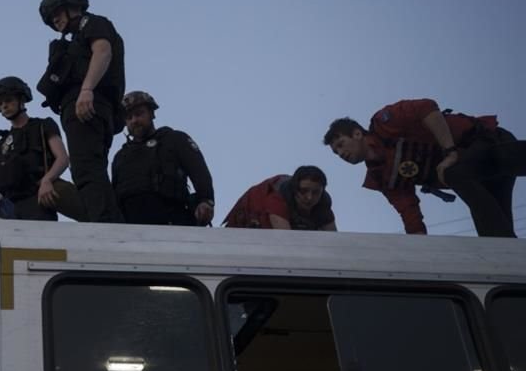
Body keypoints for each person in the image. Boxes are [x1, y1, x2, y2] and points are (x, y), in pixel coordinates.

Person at [324, 98, 526, 237]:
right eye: (336, 153)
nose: (341, 154)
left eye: (341, 144)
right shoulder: (382, 178)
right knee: (497, 242)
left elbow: (426, 108)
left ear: (357, 134)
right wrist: (420, 250)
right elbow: (409, 213)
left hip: (488, 141)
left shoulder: (385, 123)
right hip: (479, 178)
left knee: (453, 171)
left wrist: (450, 152)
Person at [36, 0, 124, 223]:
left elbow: (103, 51)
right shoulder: (71, 41)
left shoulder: (92, 23)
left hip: (87, 106)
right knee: (91, 169)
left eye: (57, 13)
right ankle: (106, 221)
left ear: (72, 6)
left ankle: (105, 226)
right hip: (84, 108)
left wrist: (87, 90)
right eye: (51, 18)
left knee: (86, 169)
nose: (55, 20)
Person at [110, 91, 215, 226]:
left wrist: (205, 201)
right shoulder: (120, 157)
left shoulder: (173, 139)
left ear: (152, 114)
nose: (134, 120)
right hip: (130, 227)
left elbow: (199, 171)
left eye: (139, 114)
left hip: (171, 222)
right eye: (129, 117)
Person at [0, 75, 86, 221]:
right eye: (0, 103)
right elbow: (2, 180)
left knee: (92, 215)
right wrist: (0, 205)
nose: (4, 106)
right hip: (11, 207)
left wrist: (47, 180)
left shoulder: (42, 126)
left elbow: (62, 158)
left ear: (21, 99)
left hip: (39, 196)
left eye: (8, 100)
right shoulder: (2, 141)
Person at [223, 166, 337, 230]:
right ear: (294, 189)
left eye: (316, 192)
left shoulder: (323, 205)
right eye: (303, 191)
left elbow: (333, 242)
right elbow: (286, 241)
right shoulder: (277, 199)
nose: (309, 197)